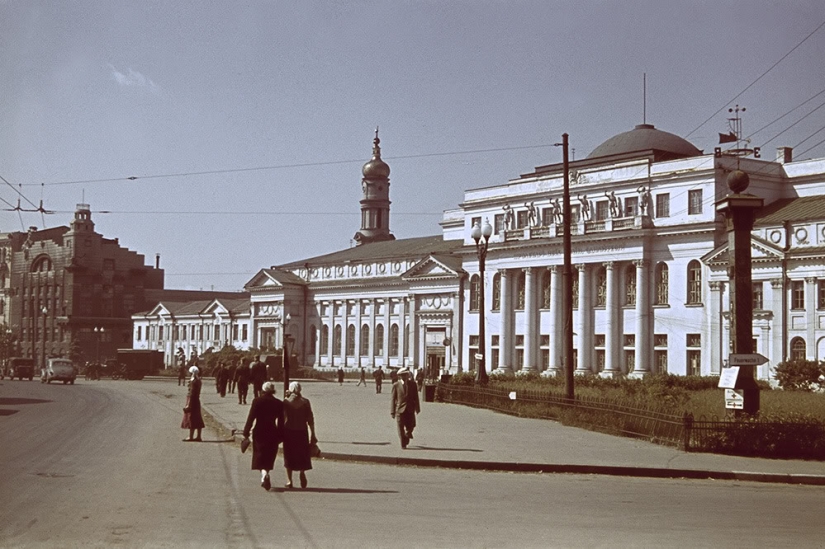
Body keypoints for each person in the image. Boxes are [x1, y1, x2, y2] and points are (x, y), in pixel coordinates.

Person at [242, 381, 284, 491]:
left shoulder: (257, 401)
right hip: (272, 431)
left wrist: (246, 431)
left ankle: (264, 475)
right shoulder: (278, 403)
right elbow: (281, 422)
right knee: (269, 455)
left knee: (259, 454)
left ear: (263, 390)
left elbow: (251, 418)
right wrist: (280, 435)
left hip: (259, 431)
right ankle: (265, 475)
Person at [282, 382, 317, 489]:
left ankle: (289, 481)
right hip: (302, 431)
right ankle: (302, 473)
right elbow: (310, 420)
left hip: (289, 432)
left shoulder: (286, 402)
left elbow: (282, 418)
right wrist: (313, 434)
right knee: (302, 454)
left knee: (288, 455)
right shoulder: (306, 402)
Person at [390, 367, 420, 449]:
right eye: (402, 375)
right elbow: (393, 399)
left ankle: (408, 434)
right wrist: (392, 411)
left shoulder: (413, 384)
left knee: (412, 425)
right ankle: (403, 443)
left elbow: (416, 397)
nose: (404, 376)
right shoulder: (396, 385)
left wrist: (417, 408)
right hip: (400, 409)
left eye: (406, 375)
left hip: (410, 408)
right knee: (400, 426)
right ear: (399, 376)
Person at [181, 366, 205, 442]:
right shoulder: (199, 381)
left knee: (191, 418)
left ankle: (190, 436)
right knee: (198, 418)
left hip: (192, 400)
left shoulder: (193, 382)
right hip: (196, 400)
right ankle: (198, 436)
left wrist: (188, 404)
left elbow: (192, 393)